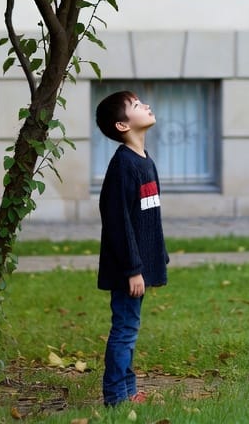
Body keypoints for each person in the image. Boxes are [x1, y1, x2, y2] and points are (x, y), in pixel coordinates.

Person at [95, 90, 169, 407]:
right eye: (137, 106)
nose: (147, 106)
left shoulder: (144, 160)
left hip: (137, 264)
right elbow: (117, 221)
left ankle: (128, 391)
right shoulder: (123, 165)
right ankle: (116, 396)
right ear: (123, 125)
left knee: (130, 329)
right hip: (127, 268)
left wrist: (158, 255)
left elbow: (149, 218)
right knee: (124, 330)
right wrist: (134, 269)